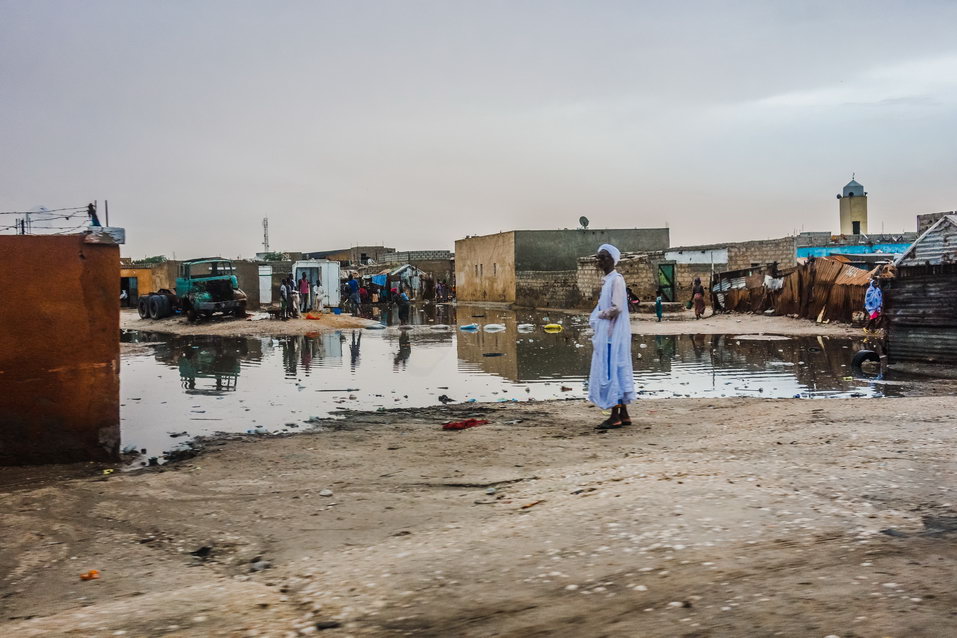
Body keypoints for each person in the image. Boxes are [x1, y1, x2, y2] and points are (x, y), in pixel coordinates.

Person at [589, 244, 636, 429]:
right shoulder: (607, 280)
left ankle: (614, 416)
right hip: (608, 334)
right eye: (599, 258)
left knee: (611, 371)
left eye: (604, 258)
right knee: (617, 369)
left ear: (612, 260)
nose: (601, 261)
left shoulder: (616, 280)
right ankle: (624, 414)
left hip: (612, 335)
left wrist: (600, 315)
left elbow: (617, 308)